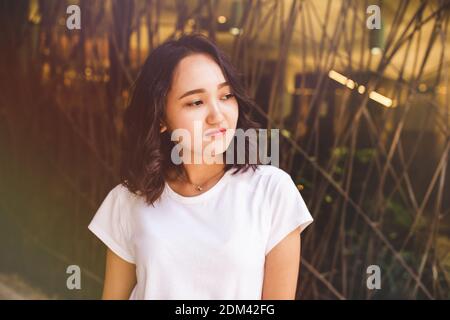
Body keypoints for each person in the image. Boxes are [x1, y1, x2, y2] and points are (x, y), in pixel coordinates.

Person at [88, 33, 313, 300]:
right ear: (161, 118)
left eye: (226, 95)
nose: (217, 115)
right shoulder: (128, 200)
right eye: (196, 102)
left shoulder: (271, 192)